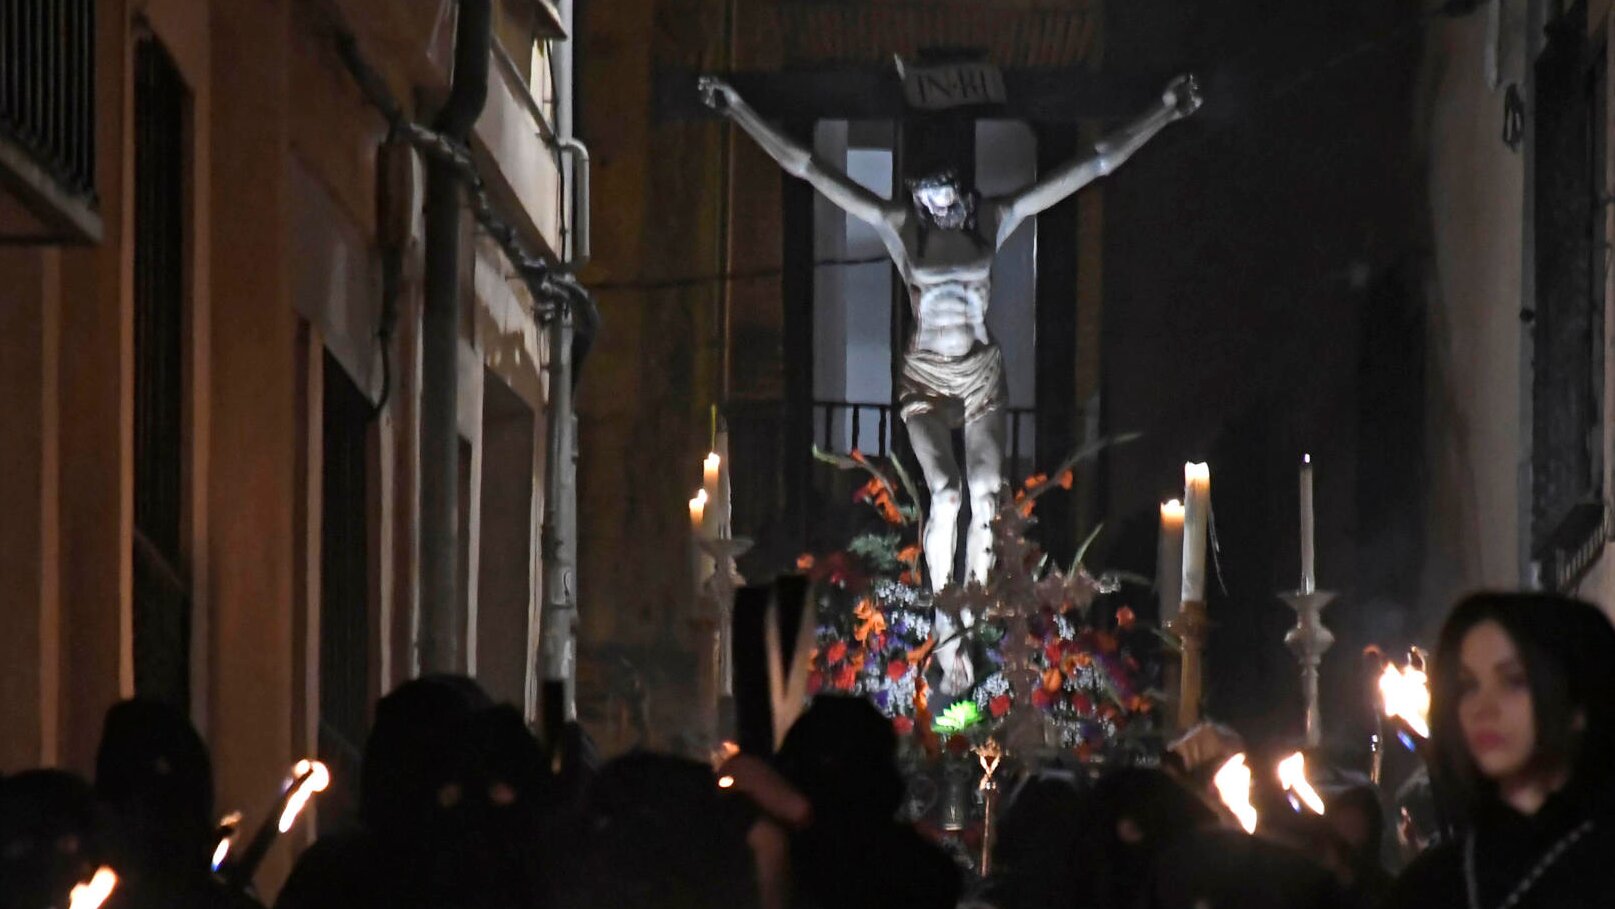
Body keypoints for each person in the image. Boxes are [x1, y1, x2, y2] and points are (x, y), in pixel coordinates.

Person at [698, 71, 1202, 696]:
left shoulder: (994, 219)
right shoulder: (899, 226)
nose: (939, 211)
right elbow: (808, 169)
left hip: (979, 373)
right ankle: (946, 619)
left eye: (946, 201)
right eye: (929, 202)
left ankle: (970, 609)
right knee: (946, 492)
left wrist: (1163, 111)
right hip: (926, 380)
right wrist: (740, 111)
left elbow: (1092, 165)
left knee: (987, 492)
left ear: (962, 195)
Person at [1387, 592, 1615, 908]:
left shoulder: (1601, 864)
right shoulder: (1430, 884)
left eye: (1513, 681)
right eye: (1468, 686)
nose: (1483, 708)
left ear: (1578, 704)